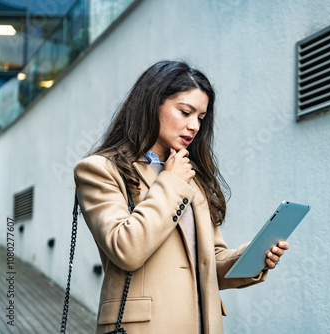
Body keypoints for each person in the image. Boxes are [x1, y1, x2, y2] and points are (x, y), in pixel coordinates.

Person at [74, 60, 289, 333]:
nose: (194, 126)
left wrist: (253, 256)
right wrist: (171, 181)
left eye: (201, 117)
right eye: (185, 112)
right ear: (152, 104)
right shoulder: (101, 170)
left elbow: (209, 261)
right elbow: (126, 249)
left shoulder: (191, 176)